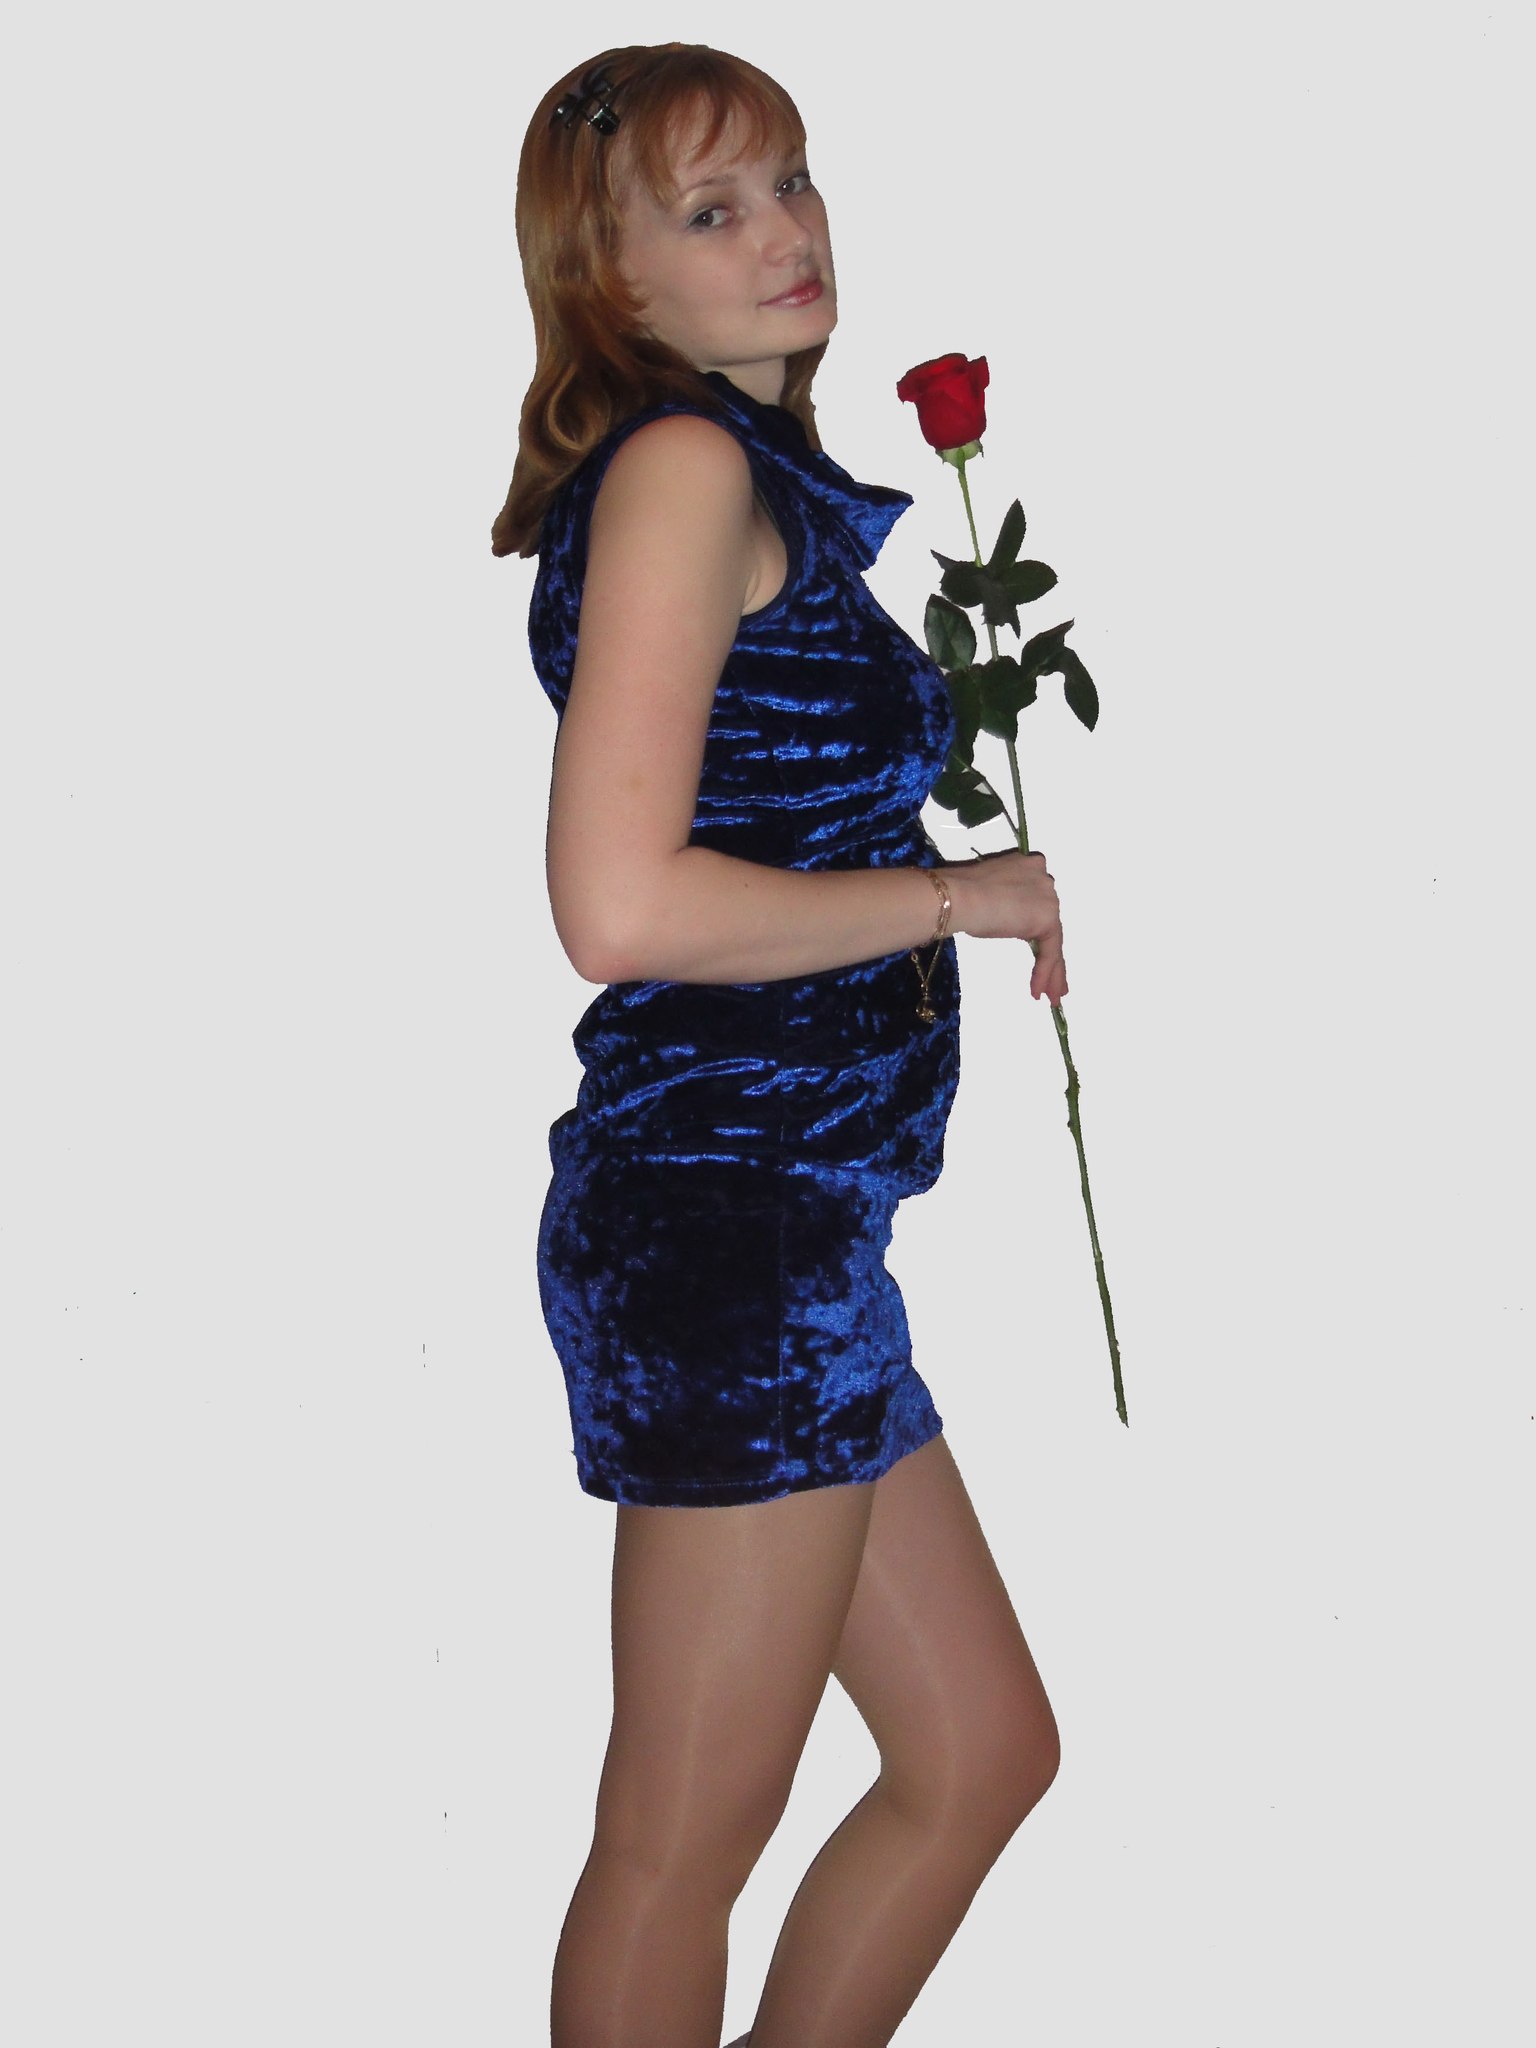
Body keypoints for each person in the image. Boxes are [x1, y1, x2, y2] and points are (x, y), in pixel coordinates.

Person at [492, 42, 1067, 2048]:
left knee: (978, 1748)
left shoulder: (740, 478)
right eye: (713, 209)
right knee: (679, 1840)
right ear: (613, 278)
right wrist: (952, 897)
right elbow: (620, 907)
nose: (788, 232)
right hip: (727, 1228)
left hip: (802, 1227)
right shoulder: (684, 469)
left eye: (794, 181)